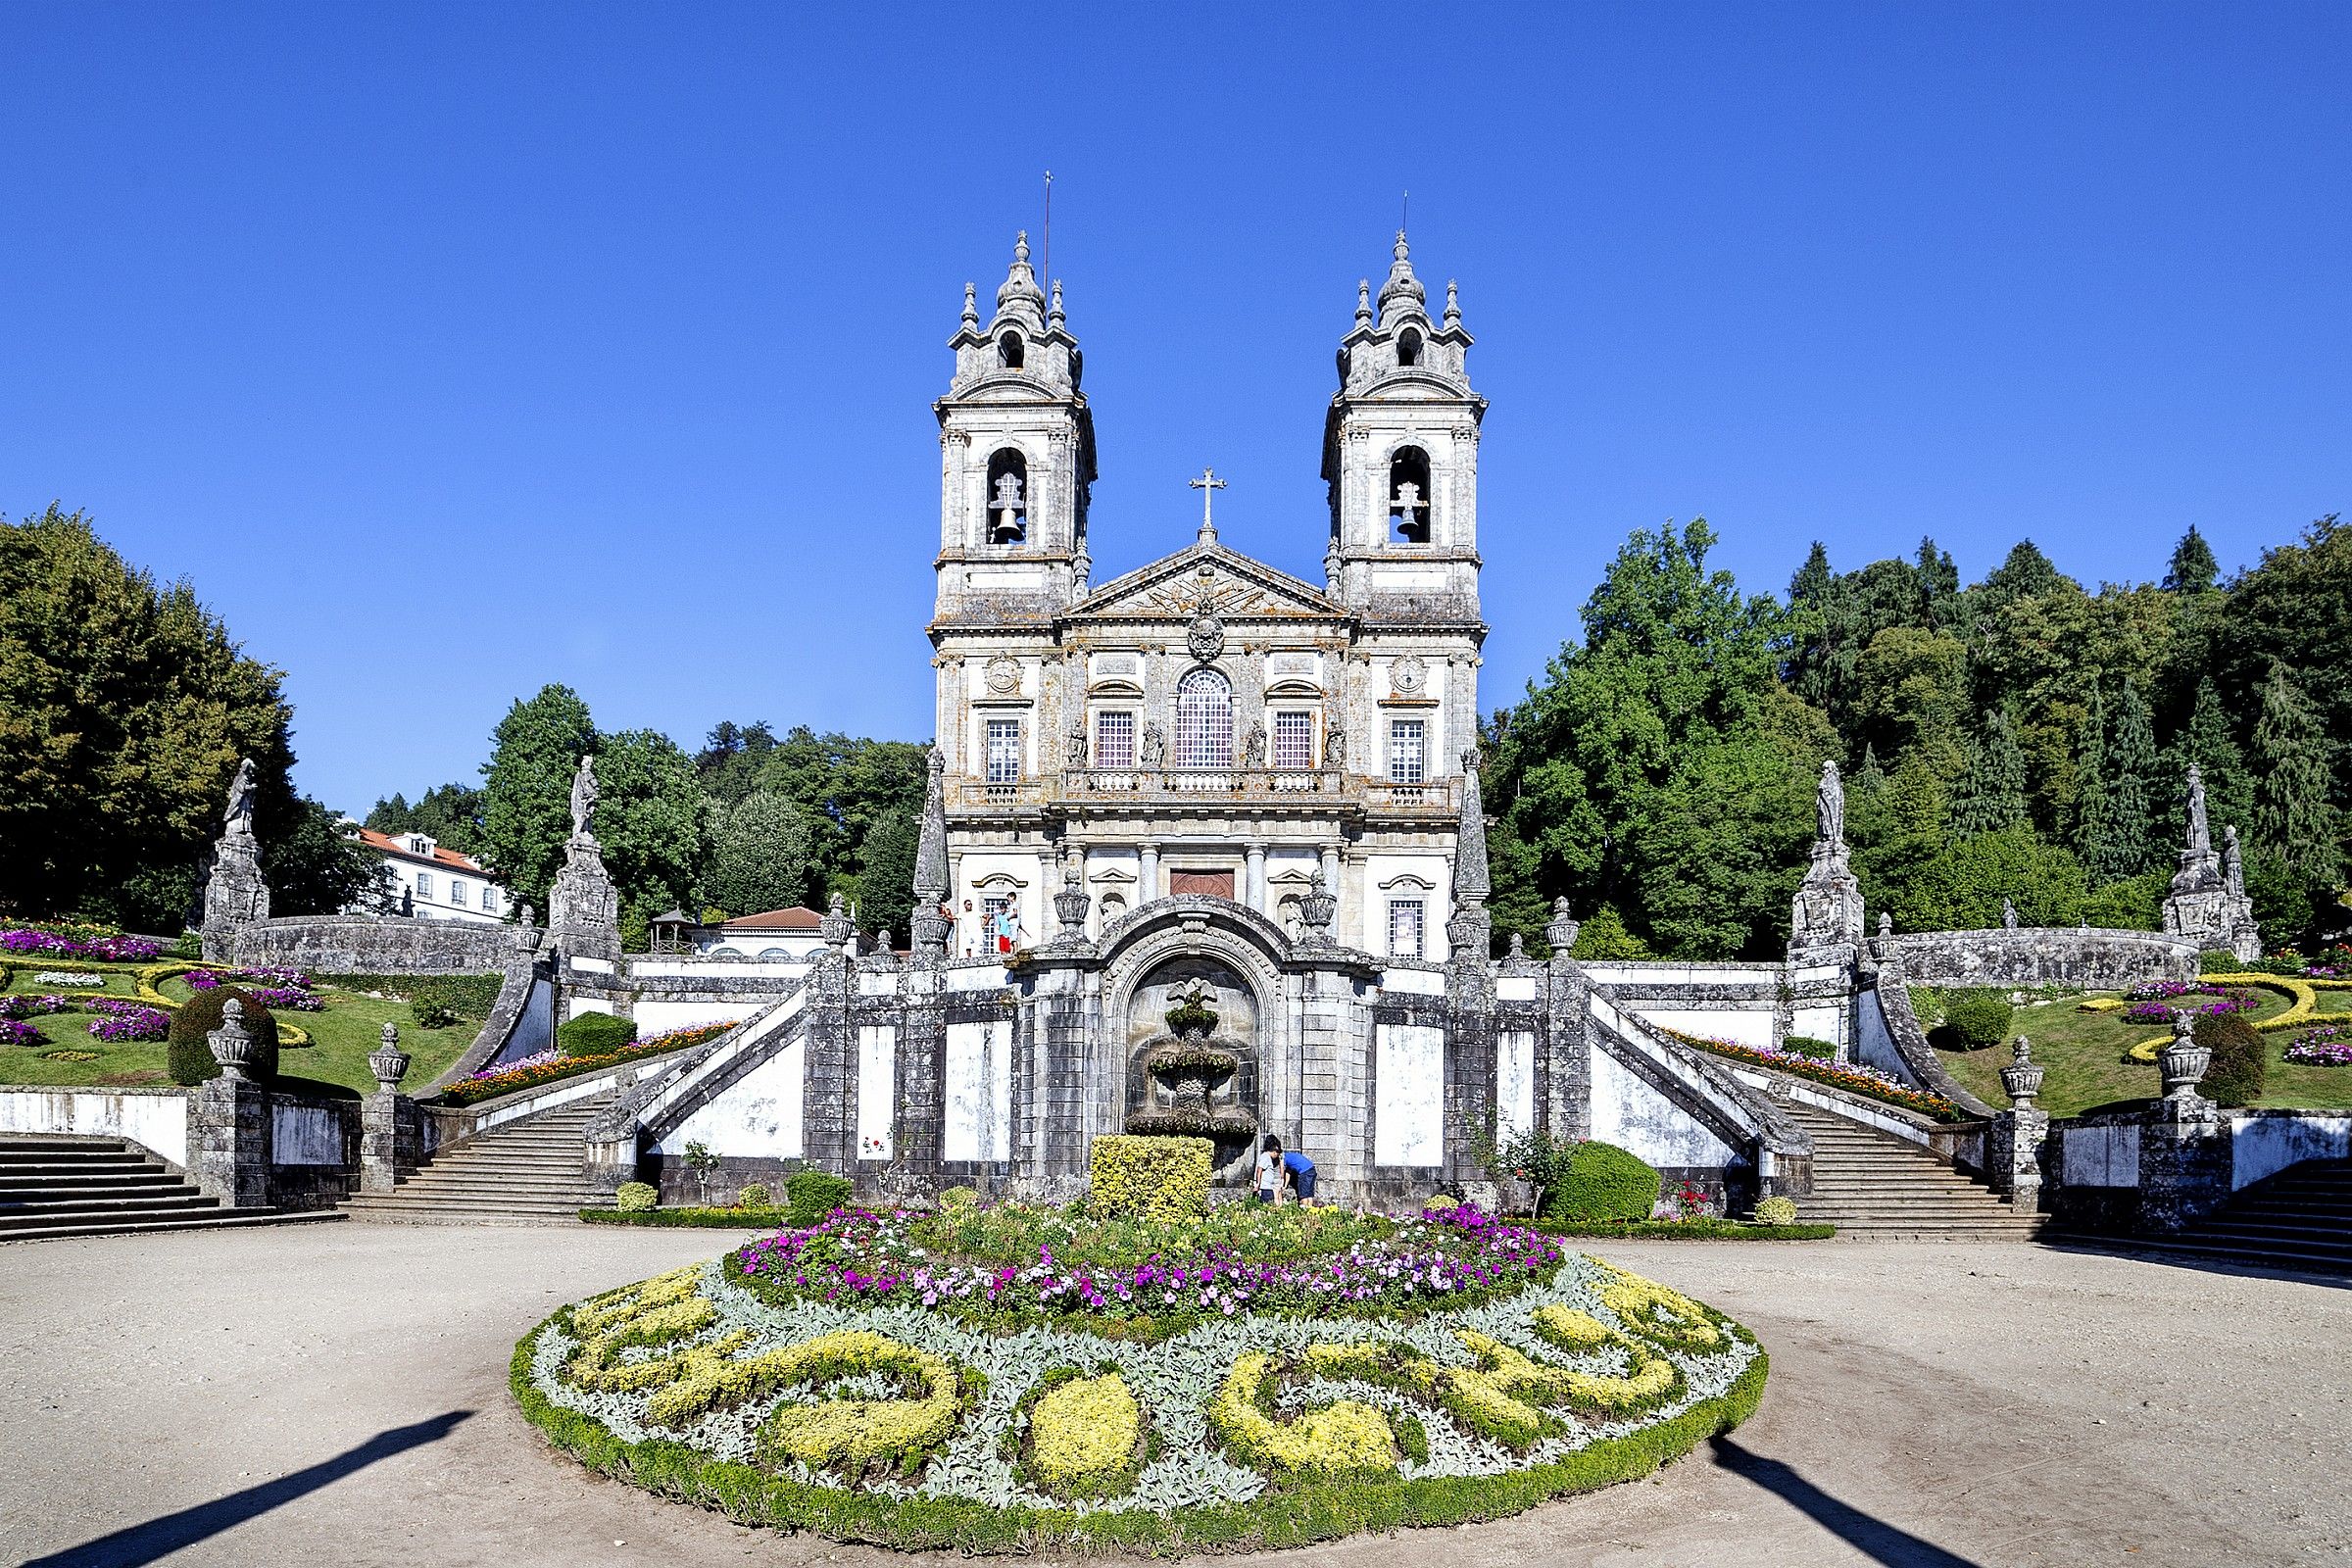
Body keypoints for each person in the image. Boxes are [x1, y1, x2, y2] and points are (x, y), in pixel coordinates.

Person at [1254, 1134, 1287, 1203]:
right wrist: (1258, 1183)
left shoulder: (1268, 1157)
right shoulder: (1265, 1156)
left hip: (1269, 1186)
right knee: (1268, 1205)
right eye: (1277, 1155)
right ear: (1274, 1152)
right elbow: (1259, 1170)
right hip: (1265, 1187)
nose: (1277, 1157)